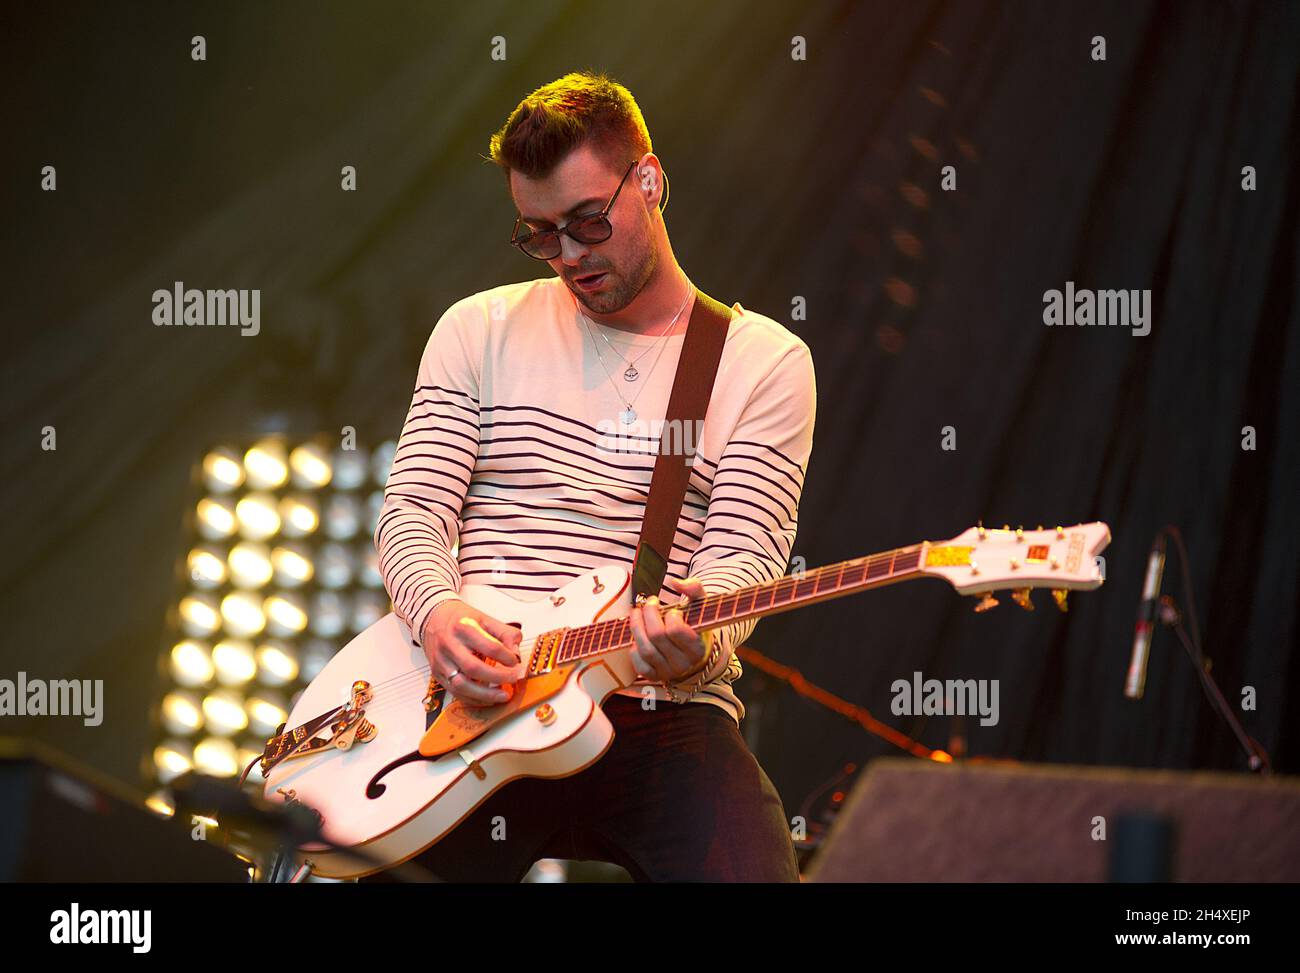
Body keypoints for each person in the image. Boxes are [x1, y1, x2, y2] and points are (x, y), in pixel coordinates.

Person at [368, 71, 816, 882]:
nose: (570, 257)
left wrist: (697, 639)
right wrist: (437, 615)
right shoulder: (479, 329)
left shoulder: (762, 361)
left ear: (649, 180)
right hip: (472, 701)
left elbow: (746, 557)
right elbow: (413, 510)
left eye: (587, 221)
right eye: (540, 234)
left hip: (658, 705)